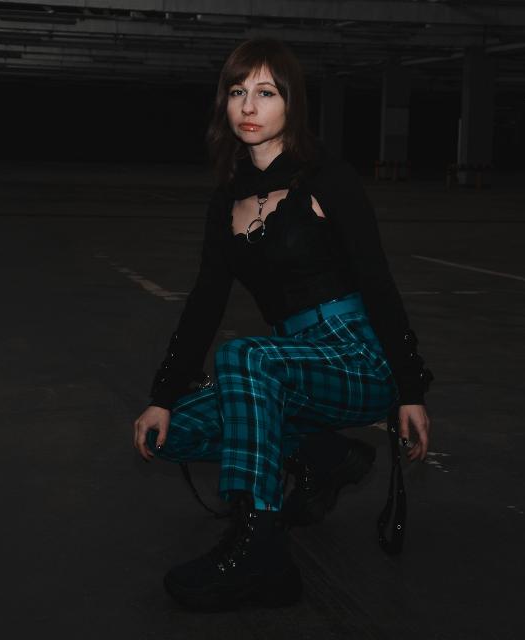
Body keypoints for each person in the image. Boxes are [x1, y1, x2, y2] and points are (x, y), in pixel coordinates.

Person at [131, 38, 433, 611]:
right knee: (175, 434)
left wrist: (409, 388)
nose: (249, 106)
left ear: (290, 103)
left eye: (265, 93)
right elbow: (205, 302)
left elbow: (378, 282)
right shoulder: (226, 202)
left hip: (353, 356)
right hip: (289, 364)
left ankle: (259, 550)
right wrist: (162, 395)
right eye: (237, 93)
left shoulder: (327, 178)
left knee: (245, 357)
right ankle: (323, 458)